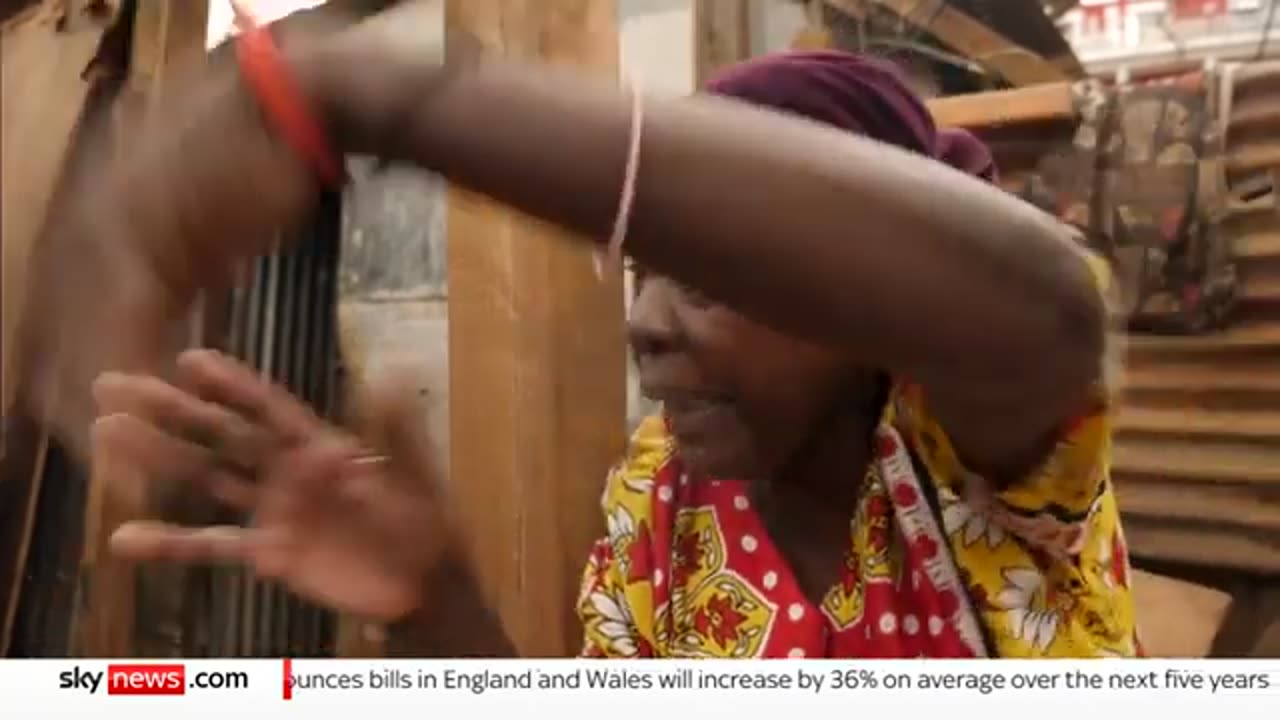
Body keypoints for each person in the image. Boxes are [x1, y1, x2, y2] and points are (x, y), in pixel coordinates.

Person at [49, 4, 1137, 659]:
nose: (646, 326)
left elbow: (1043, 308)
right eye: (644, 277)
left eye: (708, 282)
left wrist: (362, 92)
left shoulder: (976, 472)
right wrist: (430, 592)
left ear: (860, 312)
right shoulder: (662, 502)